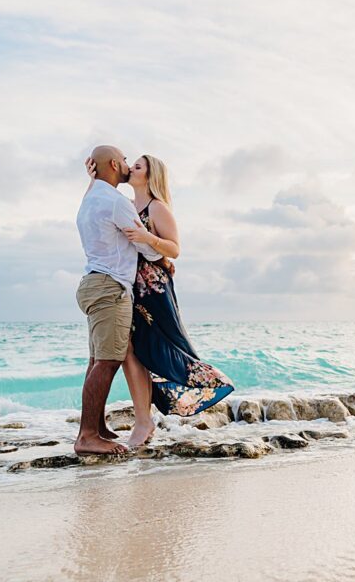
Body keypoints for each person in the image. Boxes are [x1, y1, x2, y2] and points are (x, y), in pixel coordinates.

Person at [85, 153, 235, 447]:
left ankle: (147, 419)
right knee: (130, 349)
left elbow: (174, 248)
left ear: (150, 175)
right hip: (129, 286)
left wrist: (148, 238)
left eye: (137, 166)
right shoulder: (125, 205)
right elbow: (97, 210)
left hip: (153, 289)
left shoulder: (157, 207)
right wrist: (94, 181)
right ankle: (144, 420)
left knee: (157, 346)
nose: (130, 168)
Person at [74, 145, 162, 455]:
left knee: (98, 359)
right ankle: (86, 436)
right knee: (109, 360)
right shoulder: (115, 202)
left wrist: (93, 176)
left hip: (92, 284)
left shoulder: (89, 199)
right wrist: (161, 254)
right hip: (110, 288)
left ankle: (96, 428)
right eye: (124, 160)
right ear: (114, 163)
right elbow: (148, 249)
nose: (127, 164)